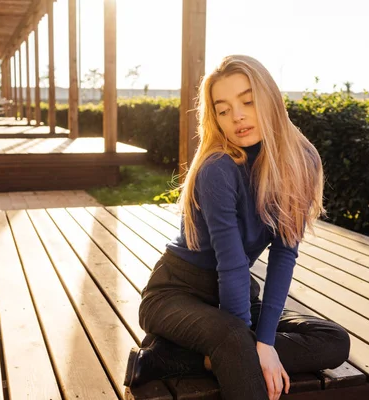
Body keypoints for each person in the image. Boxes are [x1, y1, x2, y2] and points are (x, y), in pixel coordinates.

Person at [123, 55, 351, 400]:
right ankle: (215, 350)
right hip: (175, 292)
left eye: (247, 101)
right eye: (223, 109)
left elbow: (284, 257)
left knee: (333, 340)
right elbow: (230, 263)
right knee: (232, 337)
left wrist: (266, 342)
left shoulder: (303, 161)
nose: (238, 116)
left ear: (270, 99)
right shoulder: (218, 168)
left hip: (237, 294)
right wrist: (250, 344)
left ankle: (166, 358)